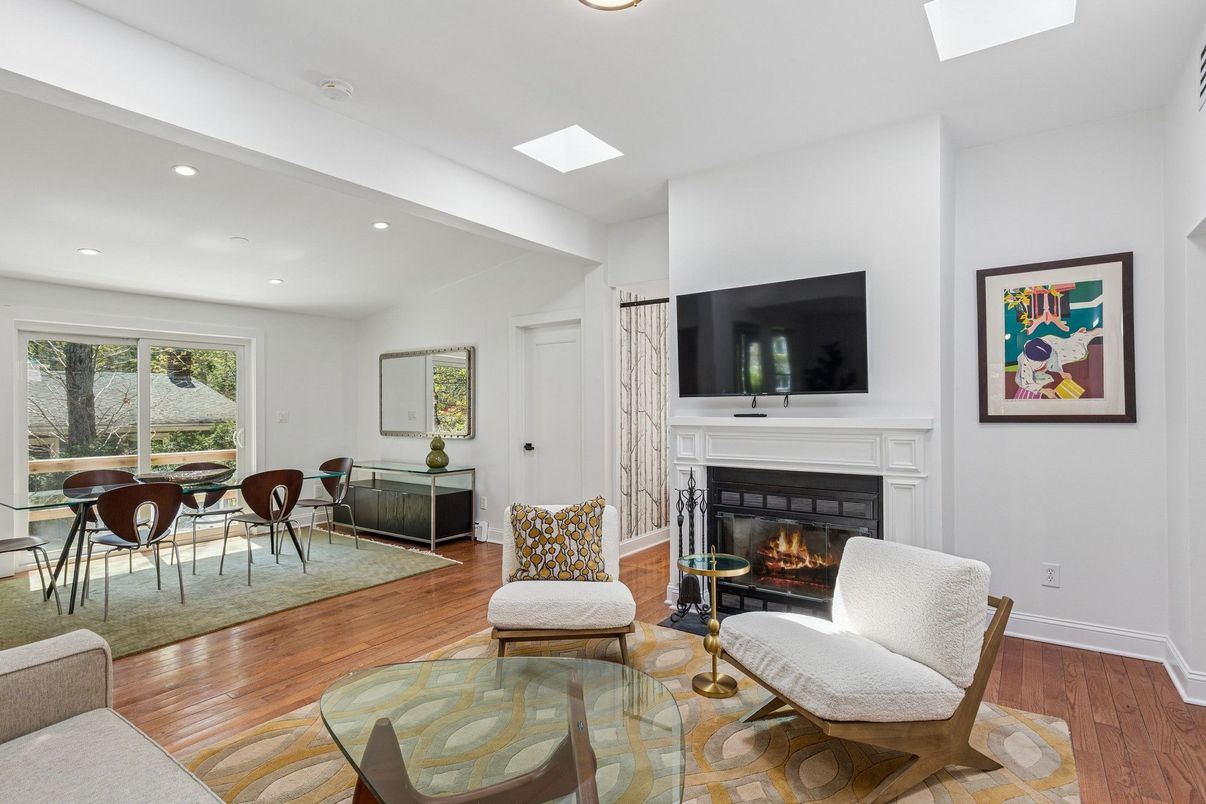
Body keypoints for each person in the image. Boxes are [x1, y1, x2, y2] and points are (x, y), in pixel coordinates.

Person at [1014, 327, 1101, 399]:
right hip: (1041, 354)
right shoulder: (1025, 364)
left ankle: (1081, 335)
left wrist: (1061, 372)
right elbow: (1025, 382)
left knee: (1078, 352)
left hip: (1051, 342)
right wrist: (1043, 390)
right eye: (1045, 361)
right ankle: (1079, 335)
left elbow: (1053, 359)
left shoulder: (1046, 347)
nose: (1047, 361)